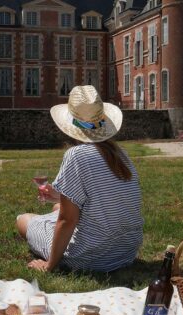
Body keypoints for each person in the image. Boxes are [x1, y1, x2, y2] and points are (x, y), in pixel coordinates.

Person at [16, 85, 143, 272]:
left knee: (24, 219)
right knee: (57, 207)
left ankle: (44, 231)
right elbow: (106, 198)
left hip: (91, 257)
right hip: (125, 252)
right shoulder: (119, 154)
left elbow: (67, 220)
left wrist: (50, 264)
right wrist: (61, 198)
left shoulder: (77, 155)